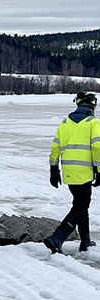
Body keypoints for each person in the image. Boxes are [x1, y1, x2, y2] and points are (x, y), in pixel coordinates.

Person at [44, 91, 100, 254]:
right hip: (84, 172)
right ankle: (57, 238)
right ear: (92, 106)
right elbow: (97, 147)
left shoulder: (65, 123)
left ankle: (86, 241)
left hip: (69, 172)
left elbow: (55, 148)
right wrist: (99, 169)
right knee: (80, 207)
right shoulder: (93, 122)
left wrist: (54, 169)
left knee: (82, 206)